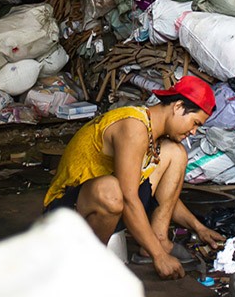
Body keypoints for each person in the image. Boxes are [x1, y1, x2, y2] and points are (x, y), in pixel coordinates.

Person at [43, 76, 225, 280]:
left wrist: (198, 227)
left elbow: (166, 197)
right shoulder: (134, 127)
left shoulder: (154, 135)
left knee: (176, 153)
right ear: (178, 106)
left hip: (108, 209)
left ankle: (159, 239)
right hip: (68, 211)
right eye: (195, 123)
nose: (193, 131)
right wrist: (160, 257)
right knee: (111, 190)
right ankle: (90, 263)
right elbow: (129, 197)